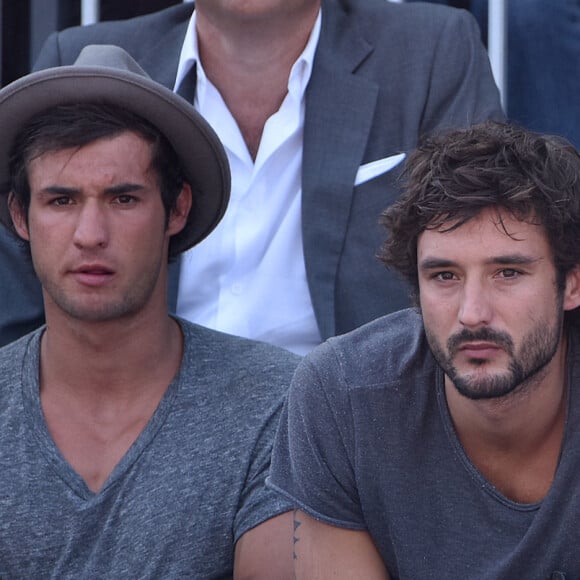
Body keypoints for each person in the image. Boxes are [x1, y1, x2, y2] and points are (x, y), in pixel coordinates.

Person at [0, 0, 504, 352]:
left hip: (357, 430)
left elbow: (481, 262)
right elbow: (19, 301)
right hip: (145, 421)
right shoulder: (85, 60)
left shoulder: (430, 51)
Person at [0, 45, 298, 578]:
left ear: (177, 208)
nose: (91, 235)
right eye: (61, 200)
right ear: (20, 215)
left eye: (123, 199)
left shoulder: (274, 401)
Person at [268, 121, 580, 578]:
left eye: (508, 273)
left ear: (571, 283)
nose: (472, 313)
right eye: (445, 276)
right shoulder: (345, 397)